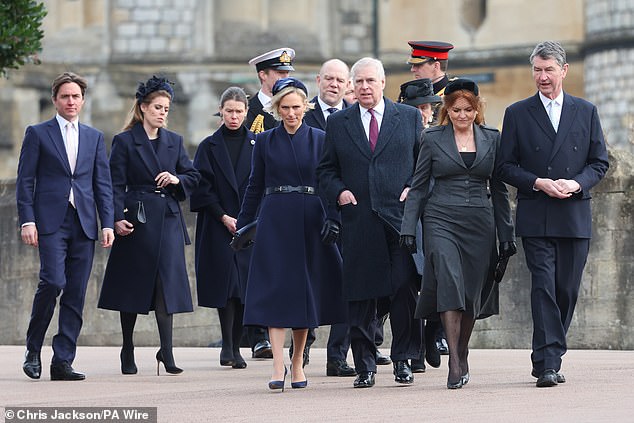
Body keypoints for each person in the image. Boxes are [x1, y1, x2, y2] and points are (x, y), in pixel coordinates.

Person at [496, 41, 609, 388]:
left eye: (548, 70)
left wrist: (575, 184)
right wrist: (538, 182)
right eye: (537, 70)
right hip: (537, 213)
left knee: (566, 290)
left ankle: (552, 353)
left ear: (564, 70)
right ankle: (546, 362)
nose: (542, 77)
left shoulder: (586, 111)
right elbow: (504, 166)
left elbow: (599, 162)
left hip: (574, 213)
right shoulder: (517, 112)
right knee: (543, 286)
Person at [400, 78, 516, 389]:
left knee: (471, 294)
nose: (461, 115)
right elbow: (419, 185)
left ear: (476, 110)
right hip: (441, 218)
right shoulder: (432, 138)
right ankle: (454, 359)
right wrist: (409, 227)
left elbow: (500, 190)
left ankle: (462, 350)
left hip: (480, 220)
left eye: (467, 110)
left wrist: (507, 236)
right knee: (449, 282)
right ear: (446, 110)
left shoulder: (492, 137)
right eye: (455, 110)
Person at [317, 57, 423, 388]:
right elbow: (325, 171)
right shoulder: (339, 123)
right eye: (359, 82)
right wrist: (340, 192)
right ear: (352, 85)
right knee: (361, 295)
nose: (364, 87)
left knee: (404, 289)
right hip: (359, 220)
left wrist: (411, 188)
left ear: (382, 83)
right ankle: (364, 365)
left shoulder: (407, 118)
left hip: (399, 221)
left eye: (370, 81)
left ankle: (403, 359)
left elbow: (424, 165)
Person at [236, 77, 346, 391]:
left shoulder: (321, 138)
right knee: (276, 291)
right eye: (285, 107)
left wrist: (333, 218)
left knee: (304, 293)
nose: (291, 113)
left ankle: (297, 362)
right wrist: (245, 224)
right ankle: (276, 366)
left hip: (311, 217)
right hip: (275, 218)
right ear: (276, 108)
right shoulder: (266, 141)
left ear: (305, 106)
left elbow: (329, 182)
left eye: (296, 107)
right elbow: (254, 186)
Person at [98, 76, 200, 376]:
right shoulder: (124, 141)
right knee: (132, 285)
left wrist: (176, 179)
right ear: (142, 108)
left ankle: (167, 351)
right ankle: (127, 347)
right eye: (157, 107)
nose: (162, 113)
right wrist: (115, 218)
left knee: (165, 285)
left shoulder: (174, 141)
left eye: (166, 108)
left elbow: (193, 175)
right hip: (136, 218)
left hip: (167, 218)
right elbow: (114, 183)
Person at [17, 71, 115, 381]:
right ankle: (33, 348)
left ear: (83, 101)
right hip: (49, 222)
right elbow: (25, 181)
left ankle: (62, 361)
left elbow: (102, 183)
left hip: (84, 222)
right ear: (55, 100)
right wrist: (27, 220)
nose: (70, 101)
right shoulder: (37, 133)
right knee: (53, 282)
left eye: (75, 96)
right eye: (65, 96)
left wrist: (107, 223)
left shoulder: (94, 137)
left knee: (75, 292)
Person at [297, 58, 355, 377]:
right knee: (308, 282)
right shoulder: (302, 114)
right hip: (309, 210)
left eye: (339, 80)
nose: (334, 84)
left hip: (345, 211)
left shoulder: (351, 118)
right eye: (328, 78)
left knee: (348, 282)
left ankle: (337, 356)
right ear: (318, 80)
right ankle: (303, 346)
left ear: (347, 85)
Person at [190, 87, 255, 370]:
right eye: (229, 111)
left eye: (239, 111)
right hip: (218, 223)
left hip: (249, 224)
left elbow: (261, 183)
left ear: (246, 113)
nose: (233, 116)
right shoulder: (208, 146)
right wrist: (223, 216)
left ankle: (235, 344)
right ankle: (228, 346)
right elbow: (201, 188)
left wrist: (247, 217)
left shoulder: (258, 144)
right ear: (221, 111)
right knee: (225, 286)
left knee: (244, 287)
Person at [406, 40, 455, 355]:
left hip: (445, 193)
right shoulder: (410, 97)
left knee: (442, 268)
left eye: (418, 64)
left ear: (436, 66)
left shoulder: (455, 97)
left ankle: (436, 332)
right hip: (417, 193)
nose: (412, 69)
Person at [396, 77, 442, 373]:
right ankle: (413, 349)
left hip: (438, 214)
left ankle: (432, 335)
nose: (426, 113)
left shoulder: (440, 134)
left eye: (428, 107)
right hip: (410, 216)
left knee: (439, 280)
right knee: (410, 283)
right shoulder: (399, 132)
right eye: (420, 107)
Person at [245, 47, 296, 135]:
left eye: (287, 72)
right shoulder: (246, 110)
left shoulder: (296, 108)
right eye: (280, 72)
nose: (285, 77)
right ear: (263, 75)